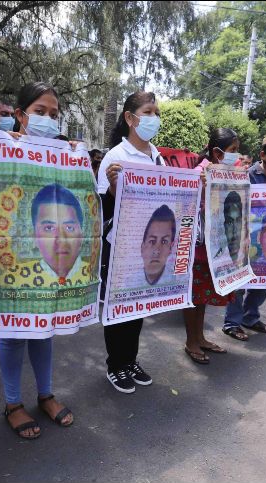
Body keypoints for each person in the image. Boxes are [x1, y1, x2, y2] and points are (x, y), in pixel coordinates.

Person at [0, 82, 74, 440]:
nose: (48, 120)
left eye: (54, 115)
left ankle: (46, 395)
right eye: (40, 112)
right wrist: (3, 161)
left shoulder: (63, 153)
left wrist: (75, 162)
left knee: (44, 333)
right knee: (13, 336)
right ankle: (13, 404)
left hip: (48, 260)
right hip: (14, 263)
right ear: (21, 115)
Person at [98, 90, 162, 392]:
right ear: (130, 118)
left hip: (149, 245)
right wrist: (112, 188)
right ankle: (116, 365)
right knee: (119, 308)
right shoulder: (116, 157)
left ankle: (130, 359)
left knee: (138, 306)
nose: (153, 118)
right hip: (121, 244)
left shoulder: (157, 155)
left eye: (156, 113)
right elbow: (102, 208)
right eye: (148, 112)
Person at [223, 132, 266, 340]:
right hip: (245, 240)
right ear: (263, 154)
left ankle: (250, 316)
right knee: (239, 285)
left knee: (265, 282)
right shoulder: (247, 175)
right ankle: (232, 322)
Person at [182, 128, 239, 361]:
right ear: (217, 152)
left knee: (203, 297)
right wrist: (201, 186)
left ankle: (200, 338)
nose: (236, 155)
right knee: (194, 297)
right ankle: (190, 341)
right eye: (232, 150)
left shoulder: (228, 172)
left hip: (217, 247)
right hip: (198, 247)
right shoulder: (199, 172)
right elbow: (186, 204)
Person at [125, 205, 177, 287]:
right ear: (142, 247)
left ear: (171, 248)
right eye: (152, 241)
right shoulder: (128, 283)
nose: (157, 251)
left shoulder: (178, 282)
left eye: (164, 241)